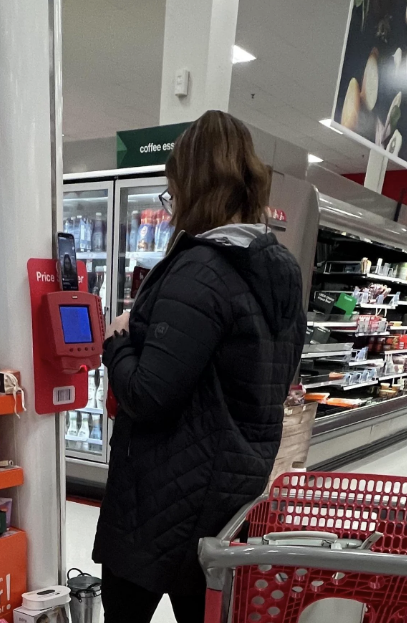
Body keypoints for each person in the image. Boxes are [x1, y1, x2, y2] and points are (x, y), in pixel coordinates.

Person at [93, 110, 306, 623]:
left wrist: (117, 340)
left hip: (161, 503)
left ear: (192, 185)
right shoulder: (280, 268)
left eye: (172, 192)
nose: (171, 206)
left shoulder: (199, 270)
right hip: (230, 501)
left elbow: (147, 395)